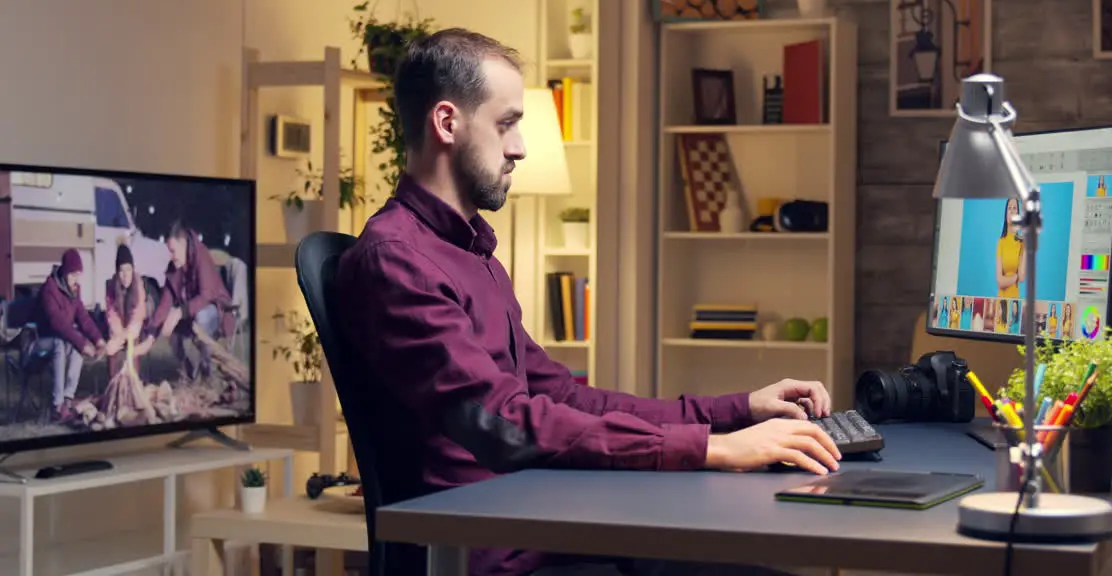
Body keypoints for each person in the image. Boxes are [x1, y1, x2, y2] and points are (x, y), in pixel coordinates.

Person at [336, 29, 842, 576]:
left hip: (547, 527)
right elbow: (506, 424)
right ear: (447, 122)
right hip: (491, 559)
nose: (519, 147)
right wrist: (710, 450)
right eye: (506, 123)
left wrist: (737, 412)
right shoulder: (397, 262)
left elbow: (567, 400)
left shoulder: (471, 252)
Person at [147, 221, 234, 382]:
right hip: (191, 315)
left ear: (183, 244)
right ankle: (188, 371)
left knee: (201, 319)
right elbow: (165, 303)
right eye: (169, 252)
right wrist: (151, 332)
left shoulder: (201, 255)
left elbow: (206, 295)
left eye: (173, 251)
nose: (171, 257)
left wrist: (179, 312)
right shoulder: (175, 267)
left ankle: (206, 372)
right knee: (173, 329)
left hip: (217, 311)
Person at [37, 249, 106, 421]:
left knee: (74, 347)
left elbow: (83, 317)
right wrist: (83, 343)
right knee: (62, 344)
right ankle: (56, 405)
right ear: (65, 272)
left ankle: (67, 399)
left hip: (60, 339)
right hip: (39, 340)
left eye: (78, 275)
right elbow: (57, 323)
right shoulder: (50, 289)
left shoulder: (74, 290)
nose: (76, 280)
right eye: (73, 275)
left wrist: (98, 340)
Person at [104, 244, 155, 378]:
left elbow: (138, 317)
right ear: (117, 272)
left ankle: (133, 381)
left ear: (133, 269)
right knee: (111, 347)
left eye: (128, 269)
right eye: (121, 270)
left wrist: (125, 336)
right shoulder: (111, 287)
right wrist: (117, 339)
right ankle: (114, 382)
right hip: (119, 331)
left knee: (133, 344)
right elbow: (112, 315)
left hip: (136, 330)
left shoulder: (138, 285)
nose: (125, 275)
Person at [995, 198, 1026, 298]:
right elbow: (1000, 281)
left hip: (1014, 299)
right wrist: (1015, 277)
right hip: (1001, 298)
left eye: (1015, 208)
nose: (1012, 211)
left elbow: (1022, 278)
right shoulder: (1001, 242)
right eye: (1009, 208)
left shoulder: (1021, 243)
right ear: (1005, 213)